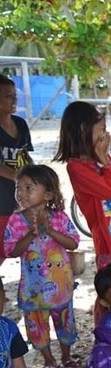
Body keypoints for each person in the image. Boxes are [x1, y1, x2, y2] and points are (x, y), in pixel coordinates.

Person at [53, 101, 111, 326]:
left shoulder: (103, 160)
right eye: (101, 130)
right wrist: (105, 159)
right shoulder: (76, 167)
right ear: (83, 131)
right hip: (109, 243)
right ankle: (107, 334)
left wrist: (106, 159)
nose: (105, 135)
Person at [3, 165, 81, 368]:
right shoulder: (16, 221)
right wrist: (30, 235)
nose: (21, 193)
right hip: (33, 290)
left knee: (65, 323)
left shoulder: (59, 217)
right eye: (18, 187)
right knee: (37, 327)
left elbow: (73, 243)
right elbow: (11, 251)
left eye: (29, 188)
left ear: (48, 195)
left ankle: (66, 356)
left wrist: (51, 231)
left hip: (60, 288)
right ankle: (49, 360)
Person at [0, 74, 34, 316]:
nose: (13, 99)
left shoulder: (20, 125)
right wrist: (19, 178)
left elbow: (26, 156)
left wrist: (35, 178)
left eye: (14, 95)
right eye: (7, 95)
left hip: (20, 202)